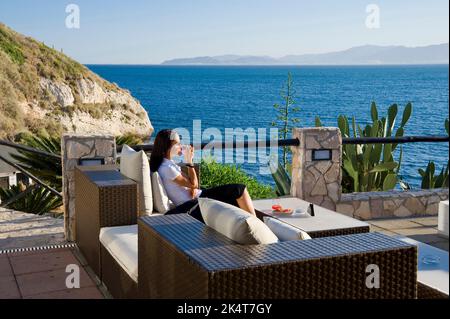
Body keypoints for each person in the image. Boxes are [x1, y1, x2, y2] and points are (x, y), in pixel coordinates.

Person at [149, 129, 256, 222]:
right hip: (195, 204)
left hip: (197, 197)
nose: (180, 146)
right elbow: (194, 184)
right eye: (177, 144)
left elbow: (192, 185)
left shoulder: (167, 164)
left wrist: (192, 187)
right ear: (167, 146)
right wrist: (189, 161)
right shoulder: (167, 168)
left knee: (235, 197)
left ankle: (247, 226)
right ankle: (256, 225)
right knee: (239, 190)